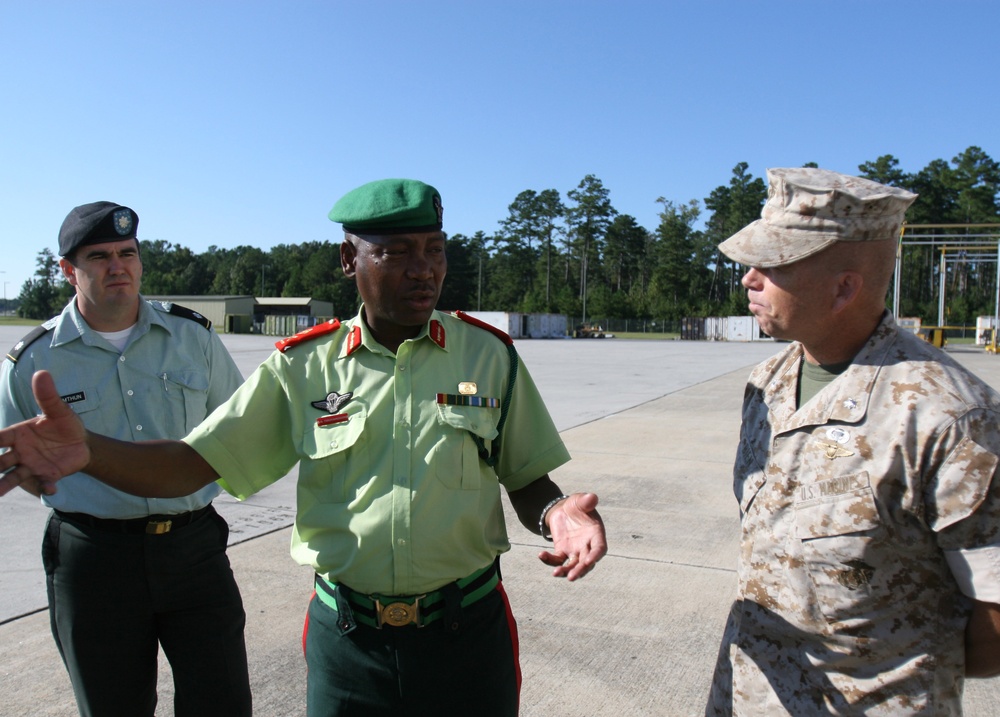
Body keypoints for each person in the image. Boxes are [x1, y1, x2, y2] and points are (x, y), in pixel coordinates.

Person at [0, 180, 608, 717]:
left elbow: (527, 477)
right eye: (397, 253)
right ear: (350, 259)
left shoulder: (489, 355)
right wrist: (90, 450)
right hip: (349, 643)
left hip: (466, 633)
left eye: (434, 250)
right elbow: (191, 464)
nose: (423, 270)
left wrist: (558, 513)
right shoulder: (301, 368)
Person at [705, 167, 1000, 715]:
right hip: (748, 696)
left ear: (844, 287)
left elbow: (995, 619)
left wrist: (888, 670)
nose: (749, 278)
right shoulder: (767, 385)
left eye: (774, 266)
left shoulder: (951, 417)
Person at [0, 202, 252, 716]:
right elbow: (24, 461)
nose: (117, 266)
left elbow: (237, 426)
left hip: (192, 548)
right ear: (69, 271)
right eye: (99, 256)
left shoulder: (193, 337)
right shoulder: (34, 360)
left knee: (222, 702)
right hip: (93, 559)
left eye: (127, 253)